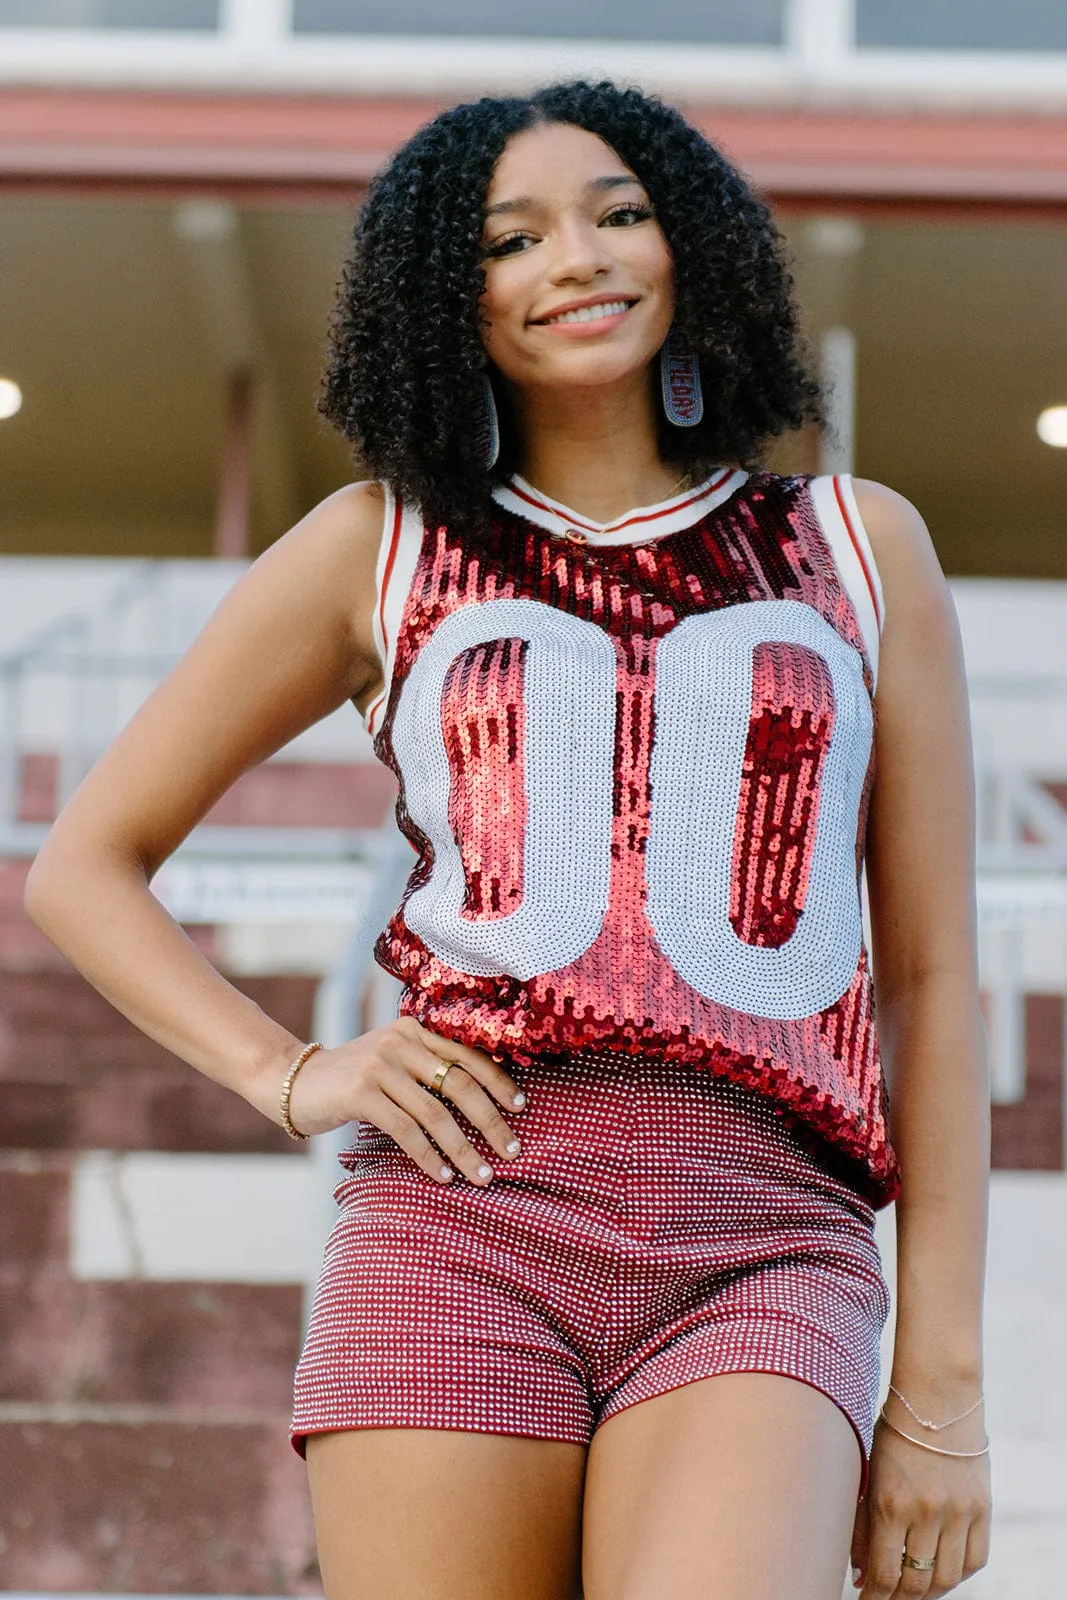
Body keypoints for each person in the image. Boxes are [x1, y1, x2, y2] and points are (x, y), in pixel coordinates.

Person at [24, 80, 992, 1600]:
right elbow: (83, 861)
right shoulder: (380, 543)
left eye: (618, 214)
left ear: (691, 248)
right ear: (445, 297)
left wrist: (940, 1389)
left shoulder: (860, 544)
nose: (578, 260)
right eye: (511, 238)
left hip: (762, 1233)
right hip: (458, 1215)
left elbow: (931, 978)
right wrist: (294, 1074)